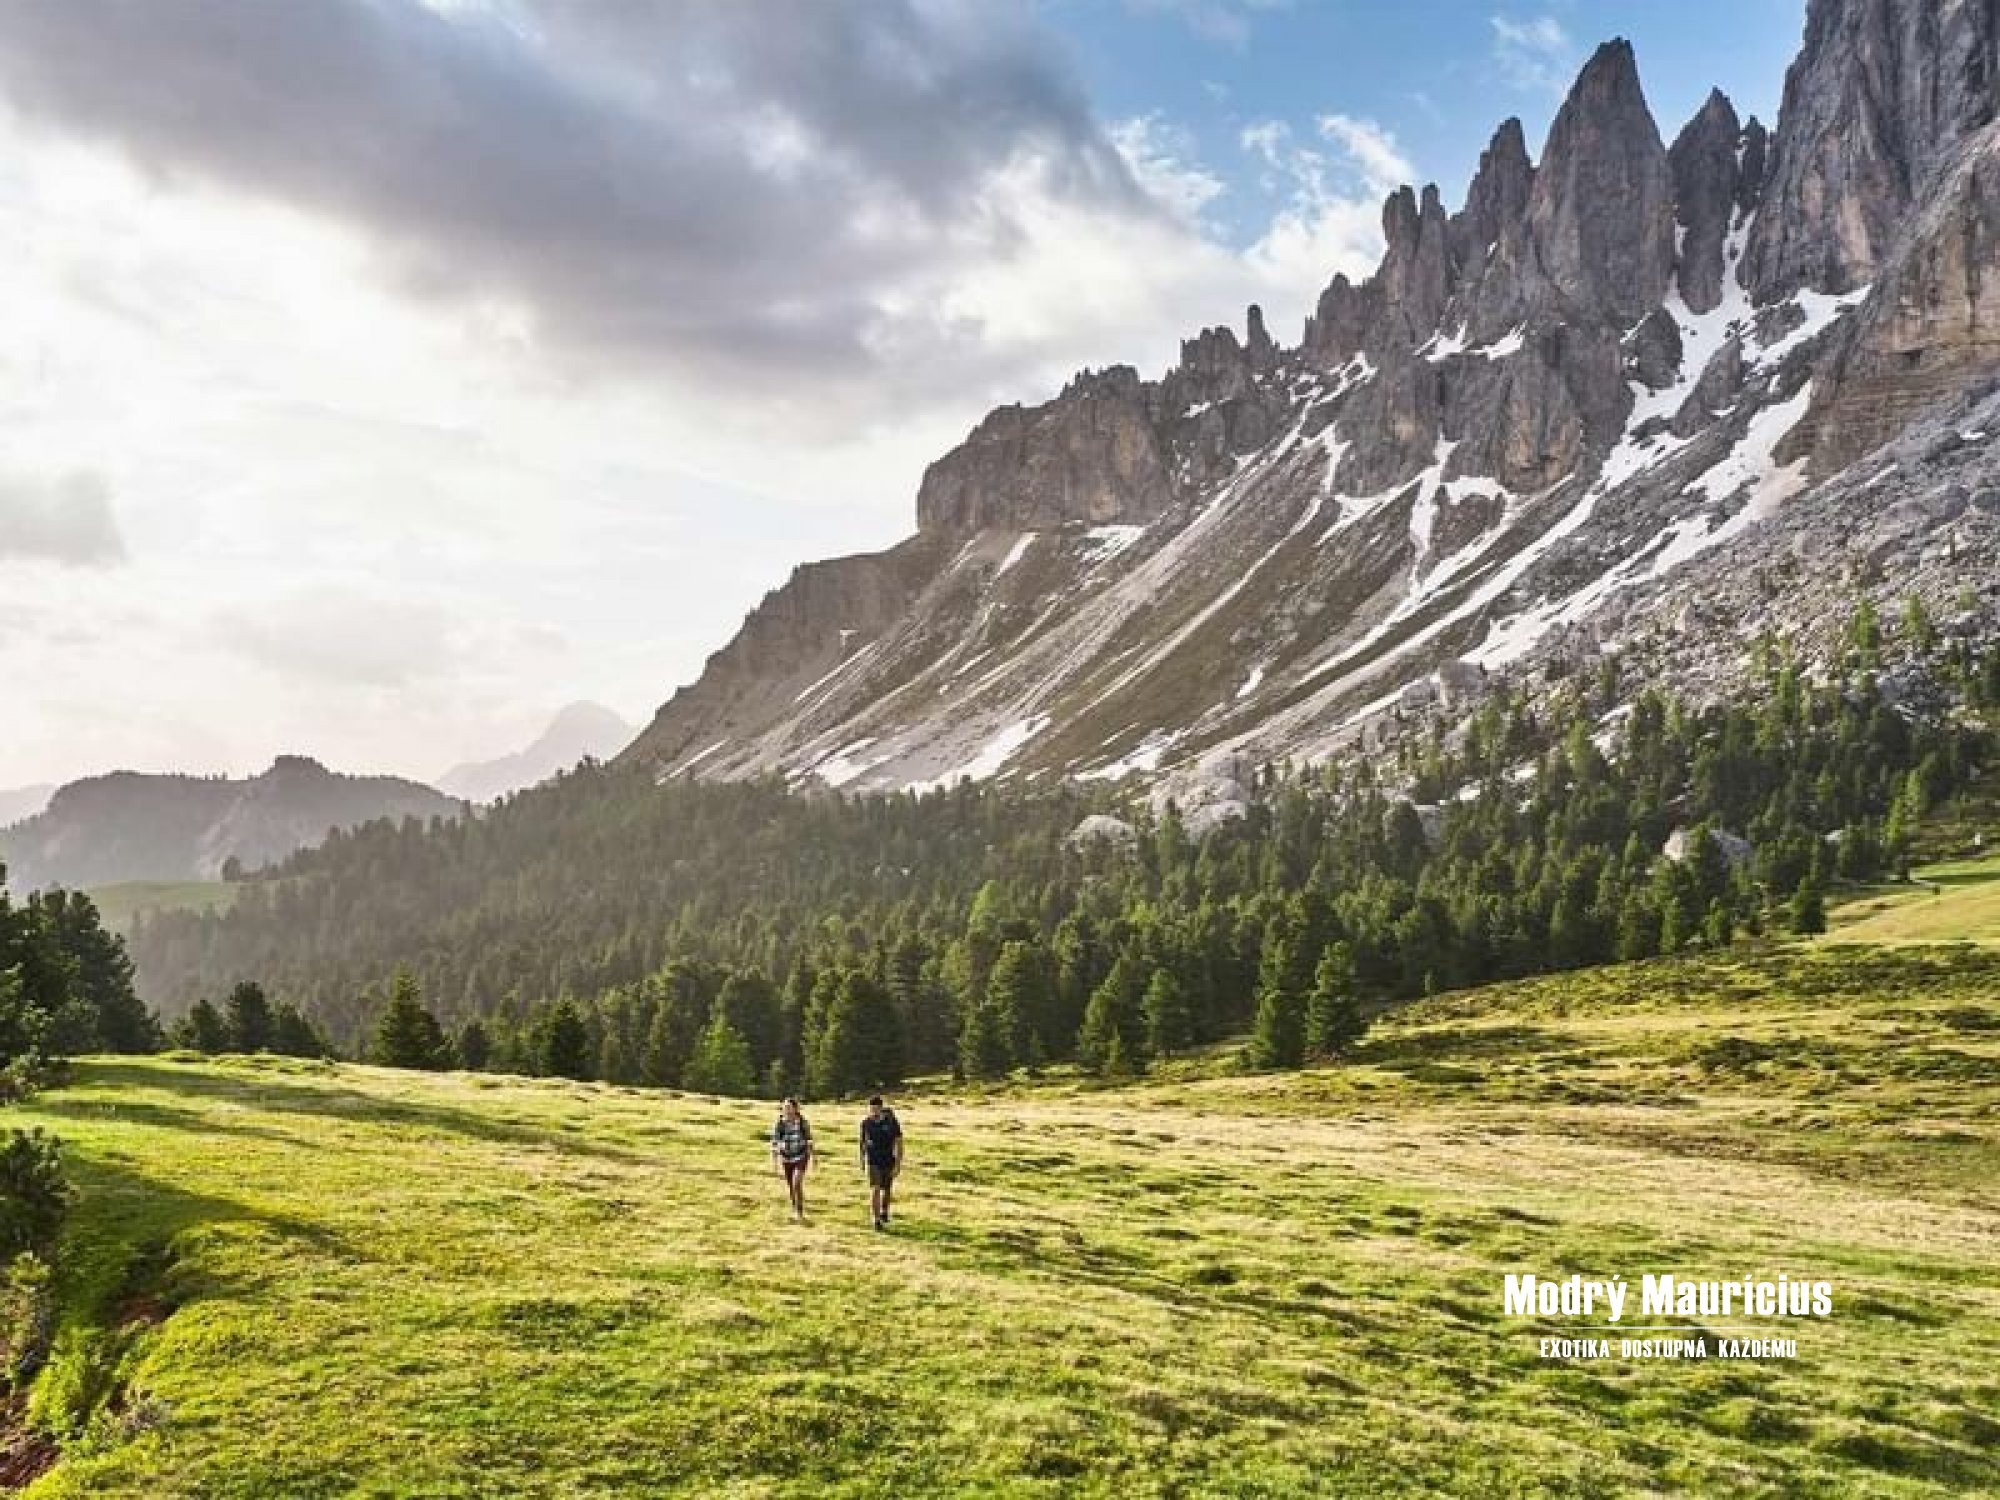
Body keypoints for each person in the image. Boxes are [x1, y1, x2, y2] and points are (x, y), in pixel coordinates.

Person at [859, 1095, 903, 1230]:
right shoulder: (866, 1123)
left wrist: (898, 1164)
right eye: (871, 1109)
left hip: (888, 1159)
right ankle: (876, 1219)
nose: (874, 1112)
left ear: (881, 1108)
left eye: (876, 1109)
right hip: (873, 1160)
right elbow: (863, 1142)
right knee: (875, 1188)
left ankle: (884, 1211)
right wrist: (862, 1159)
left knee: (887, 1189)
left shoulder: (891, 1122)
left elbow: (899, 1142)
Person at [770, 1097, 814, 1219]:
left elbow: (809, 1139)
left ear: (795, 1109)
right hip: (786, 1158)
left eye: (789, 1107)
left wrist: (814, 1157)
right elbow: (775, 1141)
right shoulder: (780, 1123)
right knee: (791, 1185)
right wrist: (774, 1160)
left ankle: (799, 1212)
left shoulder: (802, 1122)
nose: (786, 1110)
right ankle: (795, 1207)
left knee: (796, 1182)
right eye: (785, 1107)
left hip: (801, 1156)